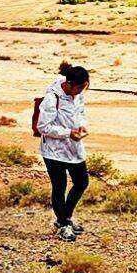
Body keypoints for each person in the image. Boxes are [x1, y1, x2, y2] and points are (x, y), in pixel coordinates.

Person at [35, 62, 90, 241]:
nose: (81, 91)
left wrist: (82, 126)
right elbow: (43, 126)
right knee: (59, 187)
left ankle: (64, 218)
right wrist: (68, 133)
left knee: (81, 182)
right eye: (80, 87)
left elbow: (80, 112)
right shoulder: (52, 98)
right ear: (70, 84)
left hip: (74, 147)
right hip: (53, 151)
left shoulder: (78, 94)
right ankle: (64, 224)